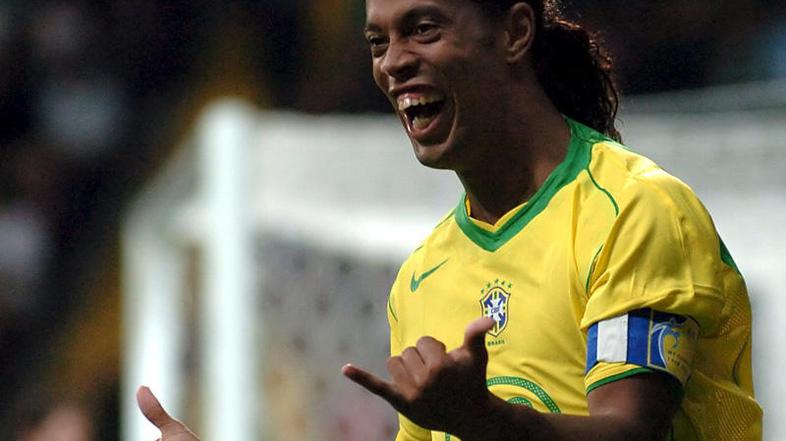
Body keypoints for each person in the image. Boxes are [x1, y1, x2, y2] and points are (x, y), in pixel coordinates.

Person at [137, 0, 762, 440]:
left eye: (423, 29)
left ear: (515, 31)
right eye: (378, 43)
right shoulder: (421, 279)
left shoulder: (633, 208)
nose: (393, 62)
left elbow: (630, 431)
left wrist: (482, 419)